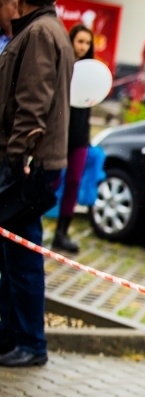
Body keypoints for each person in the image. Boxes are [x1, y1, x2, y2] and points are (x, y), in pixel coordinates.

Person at [0, 0, 74, 367]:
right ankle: (14, 336)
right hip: (34, 161)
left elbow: (32, 102)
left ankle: (30, 342)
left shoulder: (40, 33)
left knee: (23, 254)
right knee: (14, 252)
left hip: (31, 164)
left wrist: (18, 158)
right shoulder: (43, 30)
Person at [51, 24, 94, 253]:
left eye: (87, 43)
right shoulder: (63, 65)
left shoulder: (92, 72)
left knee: (74, 183)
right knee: (52, 181)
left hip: (79, 139)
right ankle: (32, 225)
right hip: (59, 135)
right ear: (72, 41)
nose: (83, 47)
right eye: (80, 41)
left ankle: (61, 232)